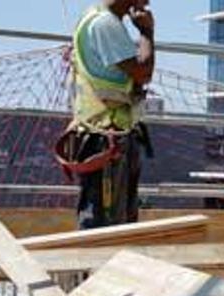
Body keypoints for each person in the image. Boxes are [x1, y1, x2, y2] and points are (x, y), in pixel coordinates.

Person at [60, 0, 154, 229]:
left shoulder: (99, 18)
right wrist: (147, 32)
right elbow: (143, 72)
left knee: (117, 221)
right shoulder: (105, 23)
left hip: (109, 133)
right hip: (105, 137)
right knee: (105, 223)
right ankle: (95, 265)